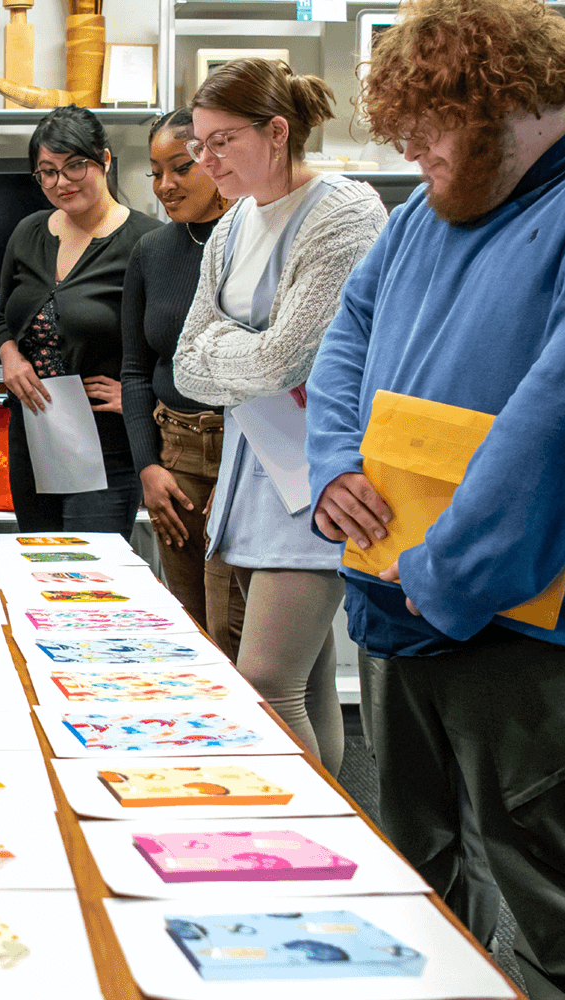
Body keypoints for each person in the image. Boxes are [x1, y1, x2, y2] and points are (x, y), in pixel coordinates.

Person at [301, 0, 565, 996]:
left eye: (431, 125)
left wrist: (449, 572)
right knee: (421, 887)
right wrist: (333, 465)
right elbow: (345, 339)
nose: (411, 149)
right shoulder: (422, 209)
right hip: (397, 601)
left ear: (513, 103)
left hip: (529, 629)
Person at [168, 60, 385, 768]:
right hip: (254, 473)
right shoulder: (233, 225)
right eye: (199, 144)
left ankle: (315, 843)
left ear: (278, 132)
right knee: (305, 679)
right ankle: (339, 840)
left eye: (220, 142)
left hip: (319, 473)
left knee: (264, 681)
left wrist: (234, 352)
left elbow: (282, 361)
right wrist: (247, 354)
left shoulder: (346, 213)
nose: (205, 161)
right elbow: (184, 365)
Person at [0, 105, 161, 534]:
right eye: (47, 172)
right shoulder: (29, 233)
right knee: (37, 564)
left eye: (74, 166)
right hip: (34, 431)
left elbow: (175, 341)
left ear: (104, 160)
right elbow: (2, 318)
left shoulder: (146, 242)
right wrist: (10, 355)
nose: (60, 183)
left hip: (106, 438)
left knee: (94, 577)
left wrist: (142, 399)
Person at [120, 109, 237, 644]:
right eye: (155, 171)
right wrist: (148, 466)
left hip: (248, 452)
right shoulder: (151, 252)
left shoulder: (251, 242)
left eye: (181, 168)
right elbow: (136, 370)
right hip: (177, 463)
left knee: (243, 635)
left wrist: (241, 468)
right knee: (195, 634)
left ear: (215, 161)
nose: (165, 186)